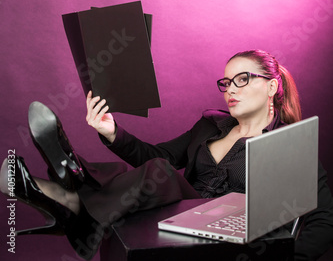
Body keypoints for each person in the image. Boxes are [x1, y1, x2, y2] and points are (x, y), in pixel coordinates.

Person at [1, 50, 333, 260]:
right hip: (175, 225)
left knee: (159, 172)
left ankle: (70, 191)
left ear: (272, 87)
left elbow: (322, 218)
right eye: (226, 81)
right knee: (158, 168)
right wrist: (111, 131)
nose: (230, 88)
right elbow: (154, 156)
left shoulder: (288, 144)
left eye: (242, 79)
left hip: (233, 238)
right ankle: (73, 192)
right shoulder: (209, 126)